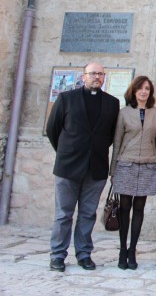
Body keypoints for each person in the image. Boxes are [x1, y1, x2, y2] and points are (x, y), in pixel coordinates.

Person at [46, 62, 120, 272]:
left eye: (100, 74)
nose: (97, 77)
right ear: (83, 76)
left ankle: (84, 253)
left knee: (88, 214)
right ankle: (58, 255)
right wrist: (66, 151)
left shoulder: (112, 103)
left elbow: (109, 135)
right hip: (68, 166)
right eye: (93, 73)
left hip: (95, 167)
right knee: (63, 214)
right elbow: (53, 129)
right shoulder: (66, 99)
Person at [110, 76, 156, 270]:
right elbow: (117, 142)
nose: (143, 92)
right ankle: (122, 249)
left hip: (148, 164)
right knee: (125, 207)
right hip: (126, 164)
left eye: (147, 89)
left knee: (139, 207)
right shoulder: (124, 113)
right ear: (133, 91)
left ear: (150, 92)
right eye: (140, 88)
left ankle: (133, 249)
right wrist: (113, 170)